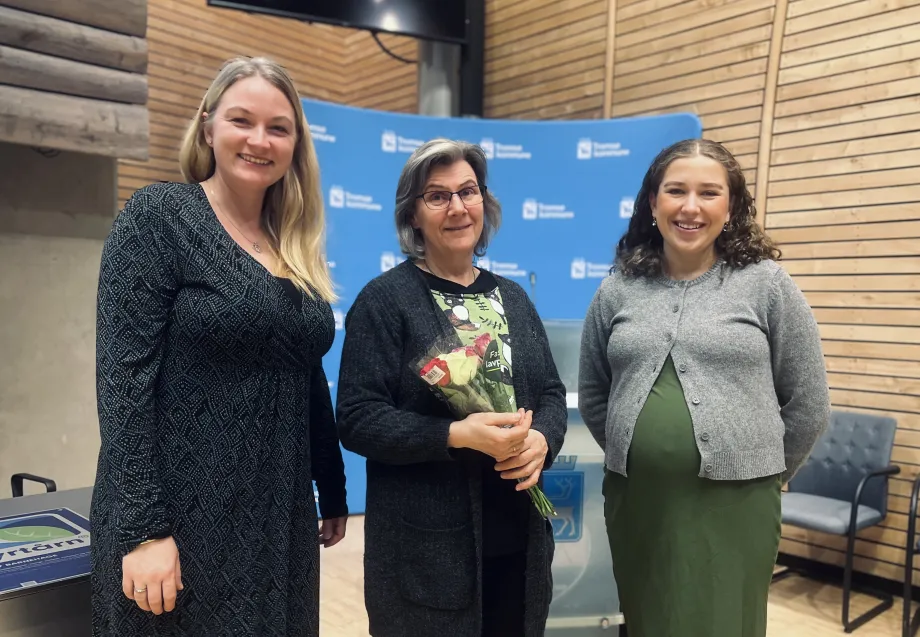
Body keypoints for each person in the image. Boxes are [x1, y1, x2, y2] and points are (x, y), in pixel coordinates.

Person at [90, 56, 348, 637]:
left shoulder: (295, 244)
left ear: (295, 144)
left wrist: (330, 486)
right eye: (241, 120)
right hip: (177, 517)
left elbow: (303, 373)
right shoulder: (161, 218)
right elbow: (122, 382)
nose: (260, 140)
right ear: (208, 127)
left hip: (276, 519)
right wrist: (143, 530)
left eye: (278, 127)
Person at [578, 138, 830, 637]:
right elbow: (594, 391)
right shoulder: (617, 289)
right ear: (653, 203)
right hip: (638, 502)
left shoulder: (767, 284)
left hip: (737, 505)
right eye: (676, 191)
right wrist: (638, 451)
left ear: (730, 206)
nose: (691, 207)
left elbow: (809, 401)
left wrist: (766, 471)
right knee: (649, 619)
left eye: (709, 193)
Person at [335, 138, 568, 636]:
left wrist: (542, 440)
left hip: (519, 541)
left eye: (469, 191)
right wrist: (455, 435)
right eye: (438, 196)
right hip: (427, 556)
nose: (458, 207)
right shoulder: (385, 301)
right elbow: (357, 418)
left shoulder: (515, 298)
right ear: (413, 215)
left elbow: (549, 391)